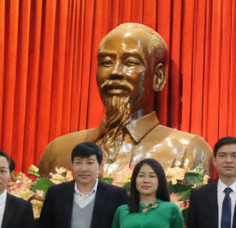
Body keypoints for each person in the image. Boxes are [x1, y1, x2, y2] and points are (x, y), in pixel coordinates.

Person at [37, 23, 211, 179]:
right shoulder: (59, 151)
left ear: (158, 77)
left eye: (130, 62)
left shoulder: (188, 151)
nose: (115, 72)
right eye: (106, 62)